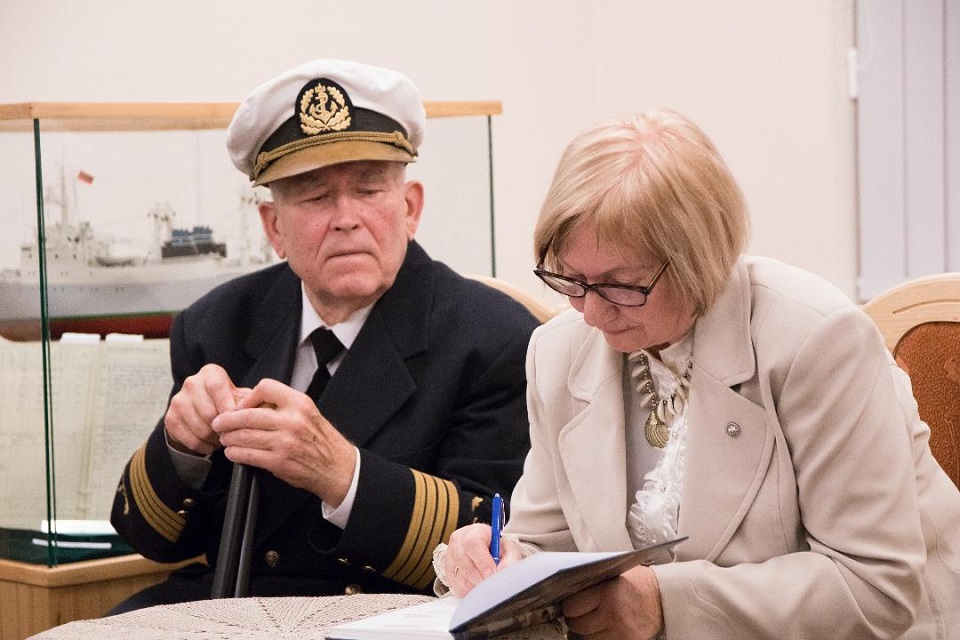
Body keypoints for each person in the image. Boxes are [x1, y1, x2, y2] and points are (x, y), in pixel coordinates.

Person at [438, 108, 960, 639]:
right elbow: (550, 541)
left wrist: (664, 603)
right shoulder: (560, 350)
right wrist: (500, 560)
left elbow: (873, 586)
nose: (590, 313)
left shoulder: (817, 341)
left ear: (700, 259)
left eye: (622, 285)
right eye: (570, 279)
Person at [108, 59, 539, 611]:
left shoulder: (493, 338)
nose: (346, 218)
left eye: (369, 190)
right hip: (232, 605)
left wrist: (343, 475)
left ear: (410, 208)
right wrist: (180, 448)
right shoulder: (217, 323)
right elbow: (151, 541)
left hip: (390, 610)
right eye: (315, 197)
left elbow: (494, 545)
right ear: (274, 228)